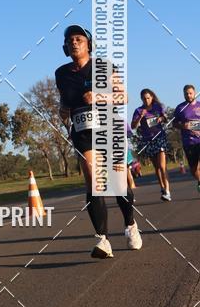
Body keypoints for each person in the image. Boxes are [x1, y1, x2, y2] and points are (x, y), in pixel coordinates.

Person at [55, 25, 141, 259]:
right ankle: (103, 240)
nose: (74, 42)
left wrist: (100, 96)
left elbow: (123, 96)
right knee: (93, 181)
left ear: (88, 44)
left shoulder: (103, 66)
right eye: (70, 40)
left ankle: (130, 225)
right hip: (82, 131)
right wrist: (63, 111)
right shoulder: (61, 74)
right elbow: (65, 105)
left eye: (79, 39)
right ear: (65, 47)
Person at [131, 89, 171, 201]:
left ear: (152, 97)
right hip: (148, 141)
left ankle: (167, 191)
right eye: (144, 98)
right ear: (141, 99)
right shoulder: (138, 110)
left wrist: (161, 118)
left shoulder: (159, 106)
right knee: (157, 167)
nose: (146, 100)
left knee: (163, 166)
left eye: (148, 98)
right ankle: (162, 188)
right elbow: (133, 126)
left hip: (159, 138)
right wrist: (140, 117)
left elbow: (166, 117)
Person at [173, 84, 200, 190]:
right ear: (183, 94)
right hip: (189, 142)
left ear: (194, 93)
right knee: (194, 169)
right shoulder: (180, 108)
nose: (188, 95)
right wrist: (183, 125)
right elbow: (174, 124)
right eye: (186, 93)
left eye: (190, 93)